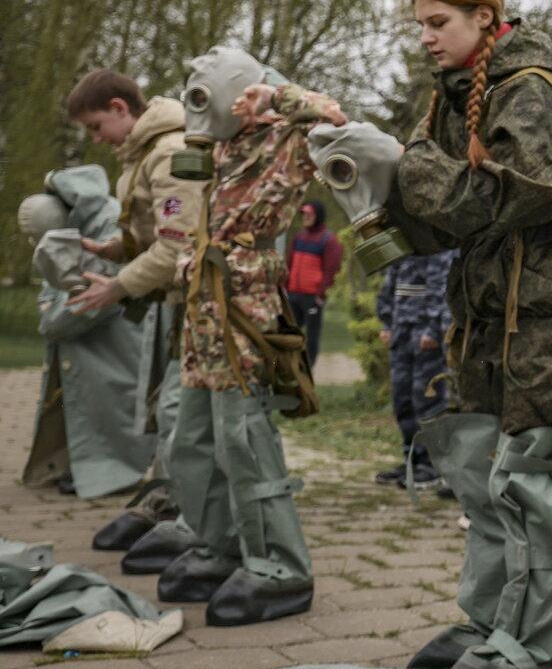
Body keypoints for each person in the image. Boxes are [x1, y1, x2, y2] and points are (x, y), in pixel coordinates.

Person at [382, 0, 552, 669]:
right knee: (486, 470)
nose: (424, 39)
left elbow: (525, 190)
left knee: (529, 476)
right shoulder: (454, 100)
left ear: (485, 18)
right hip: (494, 305)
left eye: (437, 22)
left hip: (548, 304)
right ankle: (493, 623)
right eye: (419, 24)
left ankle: (540, 653)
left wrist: (415, 170)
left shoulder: (529, 90)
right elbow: (446, 216)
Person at [154, 46, 343, 627]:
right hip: (205, 305)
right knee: (192, 436)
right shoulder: (219, 148)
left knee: (244, 437)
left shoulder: (286, 138)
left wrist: (276, 96)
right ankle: (221, 546)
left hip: (245, 308)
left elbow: (336, 117)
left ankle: (281, 566)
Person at [63, 69, 208, 561]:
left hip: (193, 300)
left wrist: (118, 286)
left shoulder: (168, 152)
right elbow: (154, 229)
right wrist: (115, 247)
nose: (96, 138)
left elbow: (178, 244)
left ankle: (195, 517)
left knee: (179, 412)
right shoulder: (143, 154)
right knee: (166, 410)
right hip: (168, 301)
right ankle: (172, 500)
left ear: (121, 109)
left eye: (96, 125)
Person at [17, 169, 149, 501]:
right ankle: (85, 463)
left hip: (115, 337)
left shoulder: (109, 226)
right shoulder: (79, 229)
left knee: (113, 404)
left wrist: (52, 317)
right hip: (92, 340)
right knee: (85, 404)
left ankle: (112, 470)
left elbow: (92, 294)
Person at [374, 250, 455, 489]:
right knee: (403, 398)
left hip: (424, 333)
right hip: (402, 330)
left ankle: (432, 464)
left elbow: (441, 286)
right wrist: (387, 321)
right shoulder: (401, 243)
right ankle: (411, 458)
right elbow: (391, 282)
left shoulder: (432, 243)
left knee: (427, 399)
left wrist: (433, 328)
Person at [284, 200, 343, 367]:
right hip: (293, 294)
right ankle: (290, 367)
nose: (306, 217)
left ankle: (308, 369)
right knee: (290, 333)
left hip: (312, 297)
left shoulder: (328, 240)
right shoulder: (299, 237)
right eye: (304, 214)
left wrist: (320, 295)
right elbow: (290, 263)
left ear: (318, 216)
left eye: (310, 214)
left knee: (311, 337)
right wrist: (285, 287)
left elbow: (332, 270)